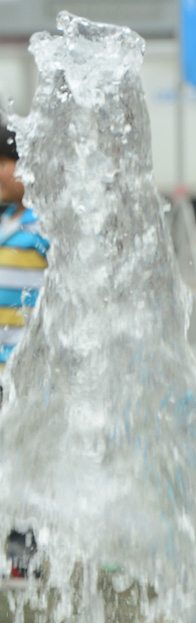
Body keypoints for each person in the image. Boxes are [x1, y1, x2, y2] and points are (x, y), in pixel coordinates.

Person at [0, 120, 49, 576]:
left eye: (7, 162)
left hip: (26, 369)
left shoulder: (42, 225)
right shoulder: (5, 221)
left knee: (26, 458)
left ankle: (25, 554)